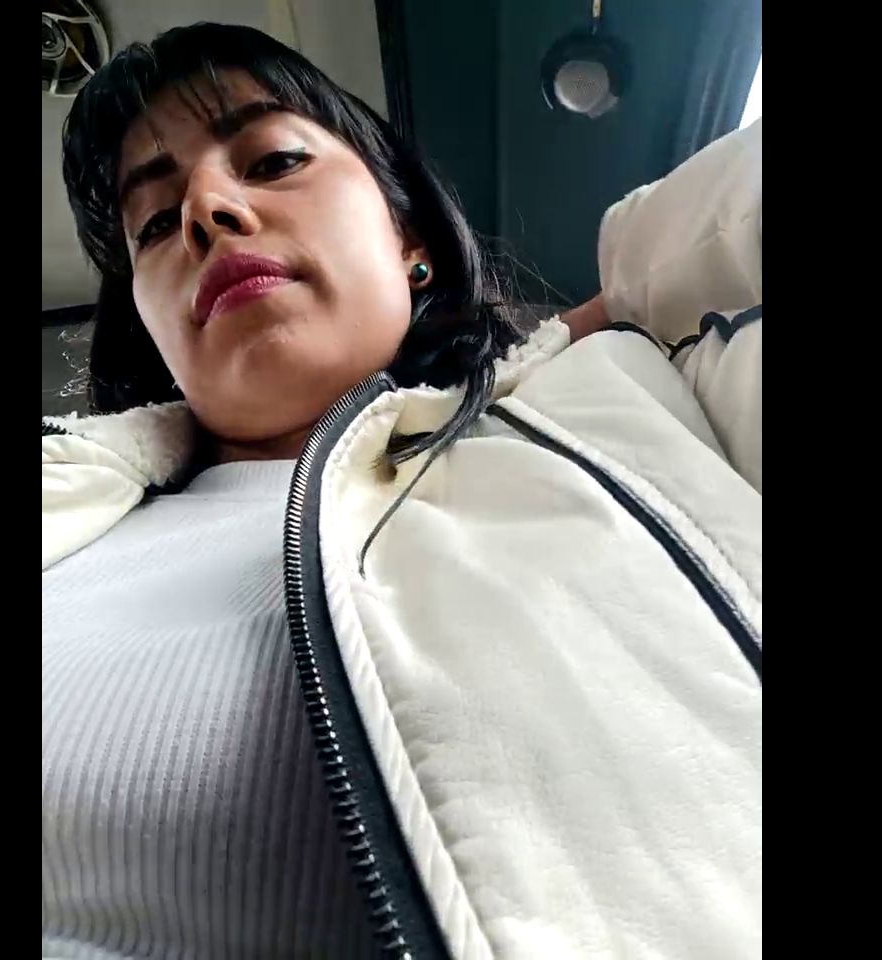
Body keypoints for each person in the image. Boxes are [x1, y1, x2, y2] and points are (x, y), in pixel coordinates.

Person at [42, 21, 762, 960]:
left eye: (274, 161)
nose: (205, 211)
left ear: (408, 236)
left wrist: (608, 307)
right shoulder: (68, 523)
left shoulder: (631, 406)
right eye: (152, 223)